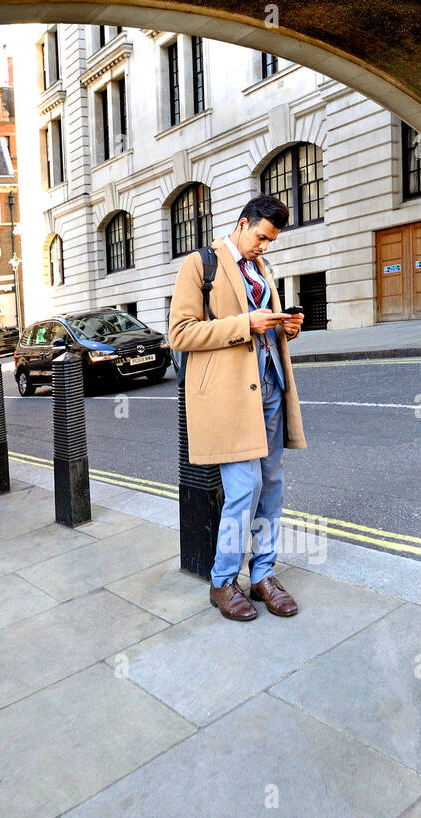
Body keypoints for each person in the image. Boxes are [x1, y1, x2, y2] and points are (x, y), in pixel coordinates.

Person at [168, 195, 308, 621]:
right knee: (243, 490)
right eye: (262, 237)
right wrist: (245, 324)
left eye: (271, 241)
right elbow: (180, 333)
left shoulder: (261, 269)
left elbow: (265, 327)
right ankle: (223, 580)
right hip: (229, 397)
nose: (265, 247)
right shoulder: (200, 264)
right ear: (243, 223)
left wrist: (288, 327)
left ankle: (263, 574)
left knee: (271, 488)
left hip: (270, 389)